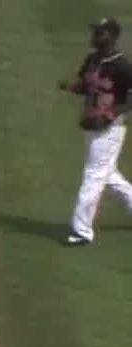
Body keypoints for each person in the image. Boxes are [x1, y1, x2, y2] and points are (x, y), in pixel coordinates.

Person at [58, 18, 132, 245]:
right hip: (91, 125)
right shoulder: (92, 59)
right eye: (95, 32)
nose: (94, 36)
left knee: (93, 176)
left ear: (111, 36)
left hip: (110, 129)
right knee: (106, 173)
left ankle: (82, 231)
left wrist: (110, 114)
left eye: (99, 33)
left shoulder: (123, 67)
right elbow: (86, 84)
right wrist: (70, 86)